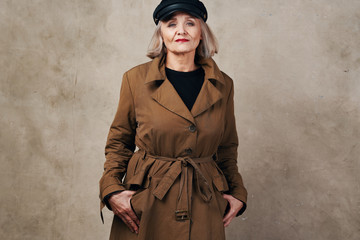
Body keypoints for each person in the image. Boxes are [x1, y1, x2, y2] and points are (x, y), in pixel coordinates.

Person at [99, 0, 248, 239]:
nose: (181, 30)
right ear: (161, 34)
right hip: (146, 200)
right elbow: (119, 142)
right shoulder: (135, 80)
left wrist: (237, 192)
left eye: (190, 23)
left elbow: (227, 146)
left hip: (204, 200)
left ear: (201, 33)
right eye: (171, 24)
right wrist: (112, 190)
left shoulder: (223, 84)